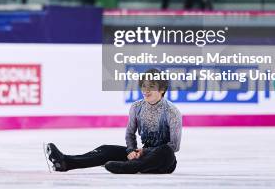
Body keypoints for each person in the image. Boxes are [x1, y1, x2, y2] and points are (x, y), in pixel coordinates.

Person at [45, 68, 181, 174]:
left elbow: (174, 146)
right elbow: (129, 134)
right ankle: (66, 162)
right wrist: (131, 150)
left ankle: (130, 167)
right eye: (144, 86)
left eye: (151, 86)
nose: (146, 90)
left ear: (162, 89)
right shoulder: (136, 107)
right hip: (141, 155)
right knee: (106, 149)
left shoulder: (171, 112)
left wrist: (144, 152)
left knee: (166, 151)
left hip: (162, 162)